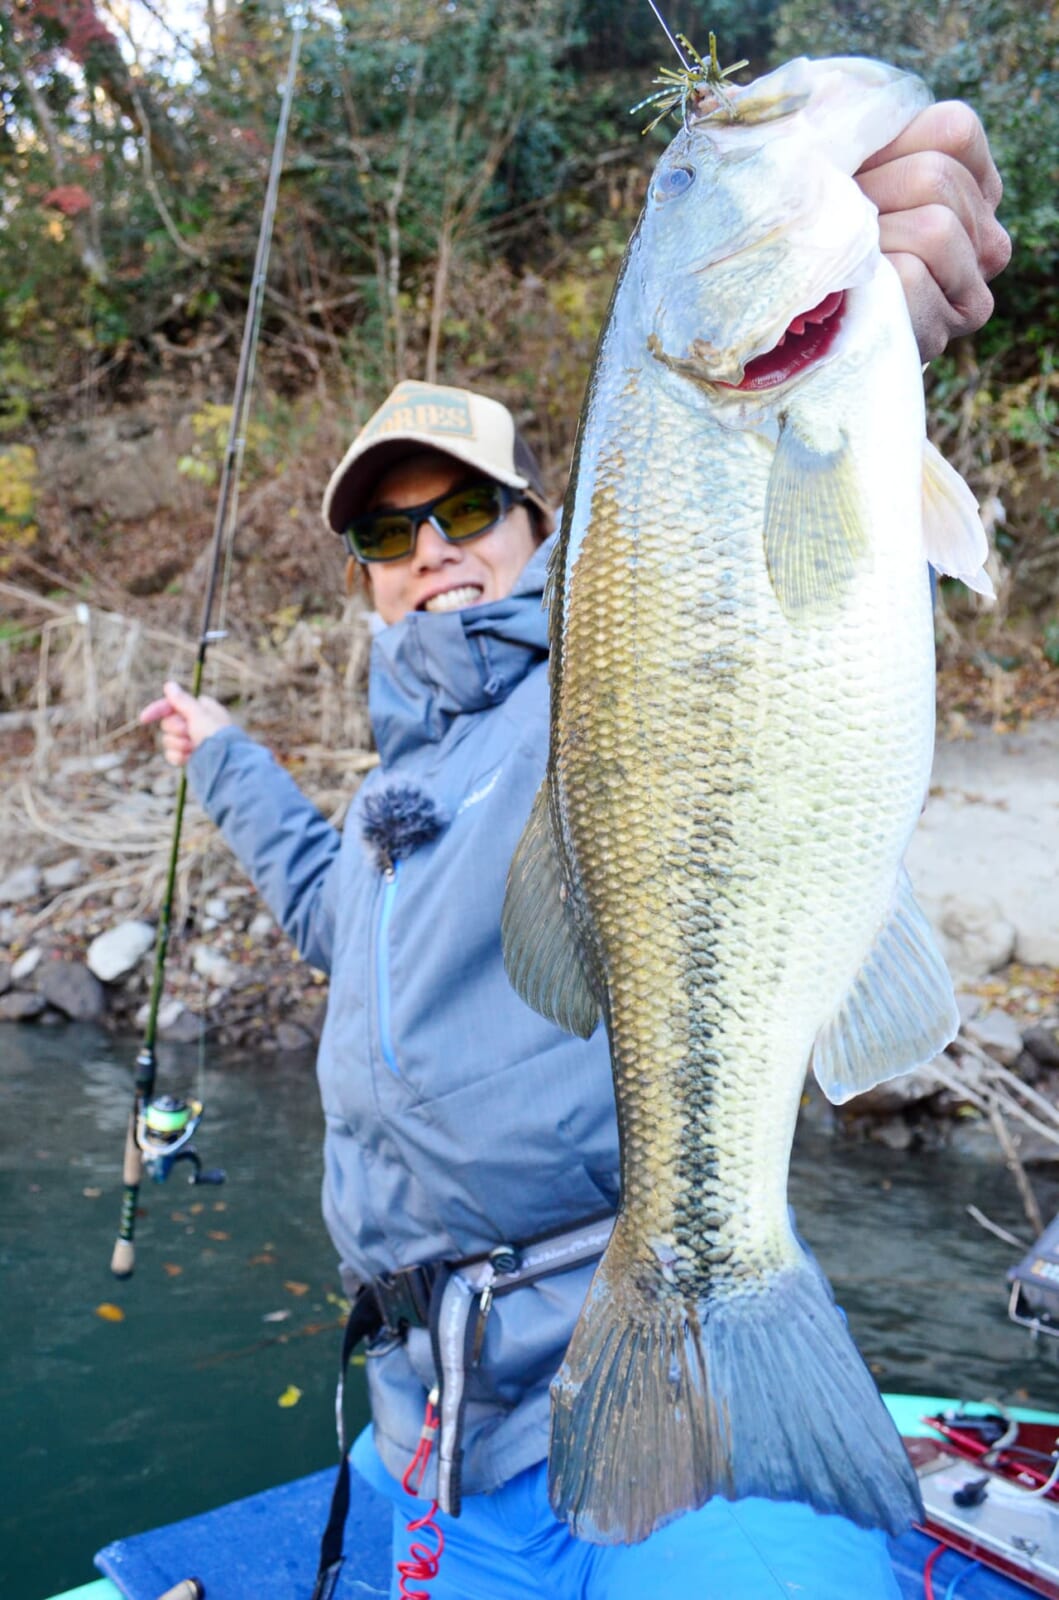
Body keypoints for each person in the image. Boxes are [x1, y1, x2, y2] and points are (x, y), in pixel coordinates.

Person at [142, 105, 1010, 1599]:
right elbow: (329, 911)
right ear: (362, 575)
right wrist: (220, 755)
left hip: (670, 1396)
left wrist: (872, 299)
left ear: (549, 528)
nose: (434, 554)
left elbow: (739, 535)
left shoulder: (589, 682)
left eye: (468, 510)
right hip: (431, 1437)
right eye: (391, 535)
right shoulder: (389, 806)